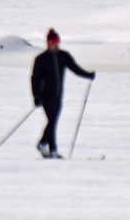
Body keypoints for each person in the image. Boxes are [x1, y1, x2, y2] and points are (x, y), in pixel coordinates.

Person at [30, 28, 94, 159]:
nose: (55, 45)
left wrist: (88, 75)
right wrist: (36, 96)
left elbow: (75, 68)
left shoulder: (63, 56)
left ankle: (43, 143)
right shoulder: (41, 59)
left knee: (53, 121)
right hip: (45, 97)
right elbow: (34, 79)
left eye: (57, 42)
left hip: (58, 96)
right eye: (53, 43)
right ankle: (52, 150)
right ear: (48, 43)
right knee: (52, 121)